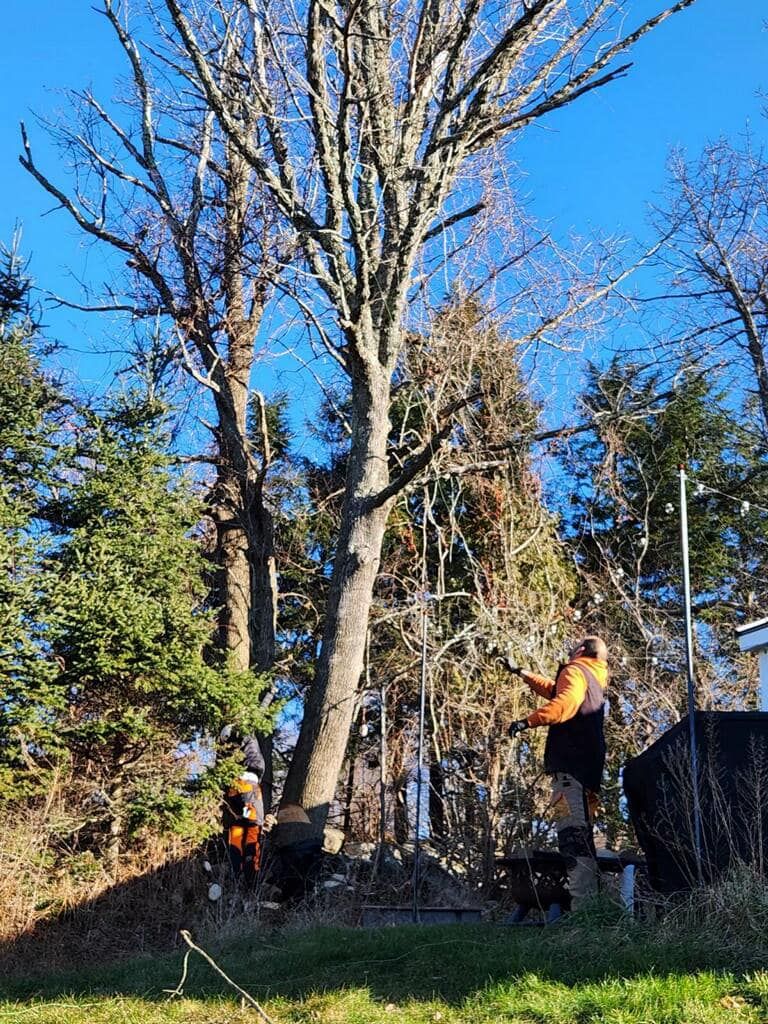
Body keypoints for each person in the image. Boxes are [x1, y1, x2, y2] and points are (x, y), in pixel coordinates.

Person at [506, 635, 609, 913]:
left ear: (580, 650)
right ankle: (592, 907)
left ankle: (584, 914)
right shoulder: (594, 678)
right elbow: (557, 690)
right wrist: (524, 674)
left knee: (572, 836)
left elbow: (564, 703)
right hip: (587, 771)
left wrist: (527, 722)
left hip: (569, 773)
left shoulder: (575, 670)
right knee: (583, 833)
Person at [220, 727, 275, 885]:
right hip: (248, 786)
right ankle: (251, 876)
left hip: (233, 789)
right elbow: (245, 733)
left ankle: (235, 873)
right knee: (253, 828)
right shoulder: (244, 732)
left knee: (237, 829)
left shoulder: (227, 748)